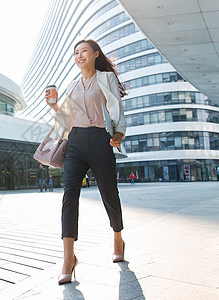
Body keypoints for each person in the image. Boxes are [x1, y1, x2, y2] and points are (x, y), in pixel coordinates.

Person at [45, 39, 127, 284]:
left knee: (109, 194)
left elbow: (117, 108)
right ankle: (68, 258)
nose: (79, 55)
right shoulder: (71, 85)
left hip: (101, 140)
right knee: (69, 195)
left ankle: (117, 237)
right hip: (76, 142)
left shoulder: (105, 78)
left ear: (95, 54)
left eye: (84, 51)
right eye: (76, 53)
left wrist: (118, 133)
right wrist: (54, 105)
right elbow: (65, 119)